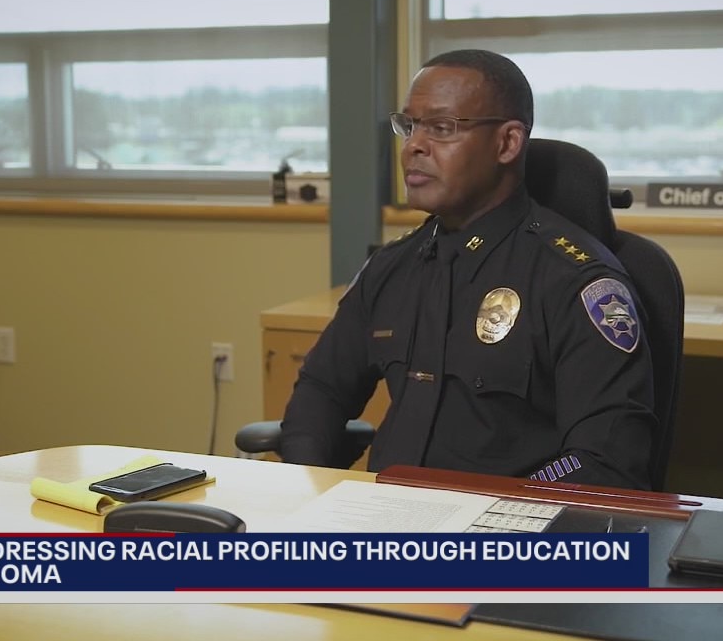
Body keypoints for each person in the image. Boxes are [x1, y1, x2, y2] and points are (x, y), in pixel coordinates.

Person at [278, 49, 656, 490]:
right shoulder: (392, 266)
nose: (413, 146)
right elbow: (321, 390)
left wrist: (506, 503)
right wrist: (310, 490)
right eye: (410, 126)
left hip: (508, 526)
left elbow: (605, 460)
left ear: (507, 143)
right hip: (384, 515)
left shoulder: (574, 282)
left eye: (441, 128)